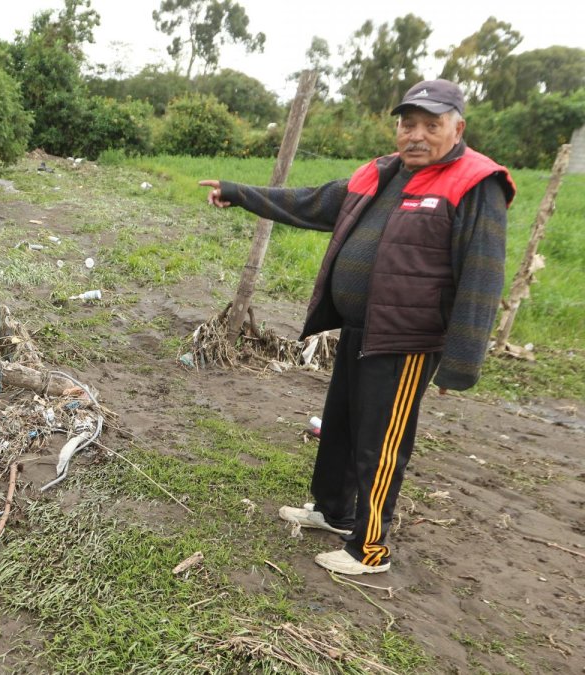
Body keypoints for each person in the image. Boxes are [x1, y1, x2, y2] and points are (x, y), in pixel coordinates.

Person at [199, 79, 515, 575]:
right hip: (360, 329)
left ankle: (369, 549)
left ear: (458, 127)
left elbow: (482, 276)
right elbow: (314, 201)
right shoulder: (382, 173)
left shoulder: (475, 183)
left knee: (380, 444)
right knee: (342, 425)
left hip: (407, 342)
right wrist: (241, 194)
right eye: (408, 124)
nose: (416, 135)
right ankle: (333, 511)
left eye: (432, 125)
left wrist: (460, 363)